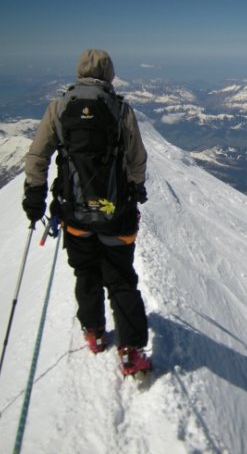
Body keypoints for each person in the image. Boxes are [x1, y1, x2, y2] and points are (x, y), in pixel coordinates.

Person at [22, 49, 151, 375]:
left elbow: (38, 156)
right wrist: (136, 188)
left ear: (79, 72)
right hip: (115, 213)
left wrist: (34, 195)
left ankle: (94, 333)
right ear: (109, 75)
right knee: (121, 279)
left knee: (86, 273)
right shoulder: (121, 110)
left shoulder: (59, 107)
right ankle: (131, 352)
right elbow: (137, 159)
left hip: (75, 214)